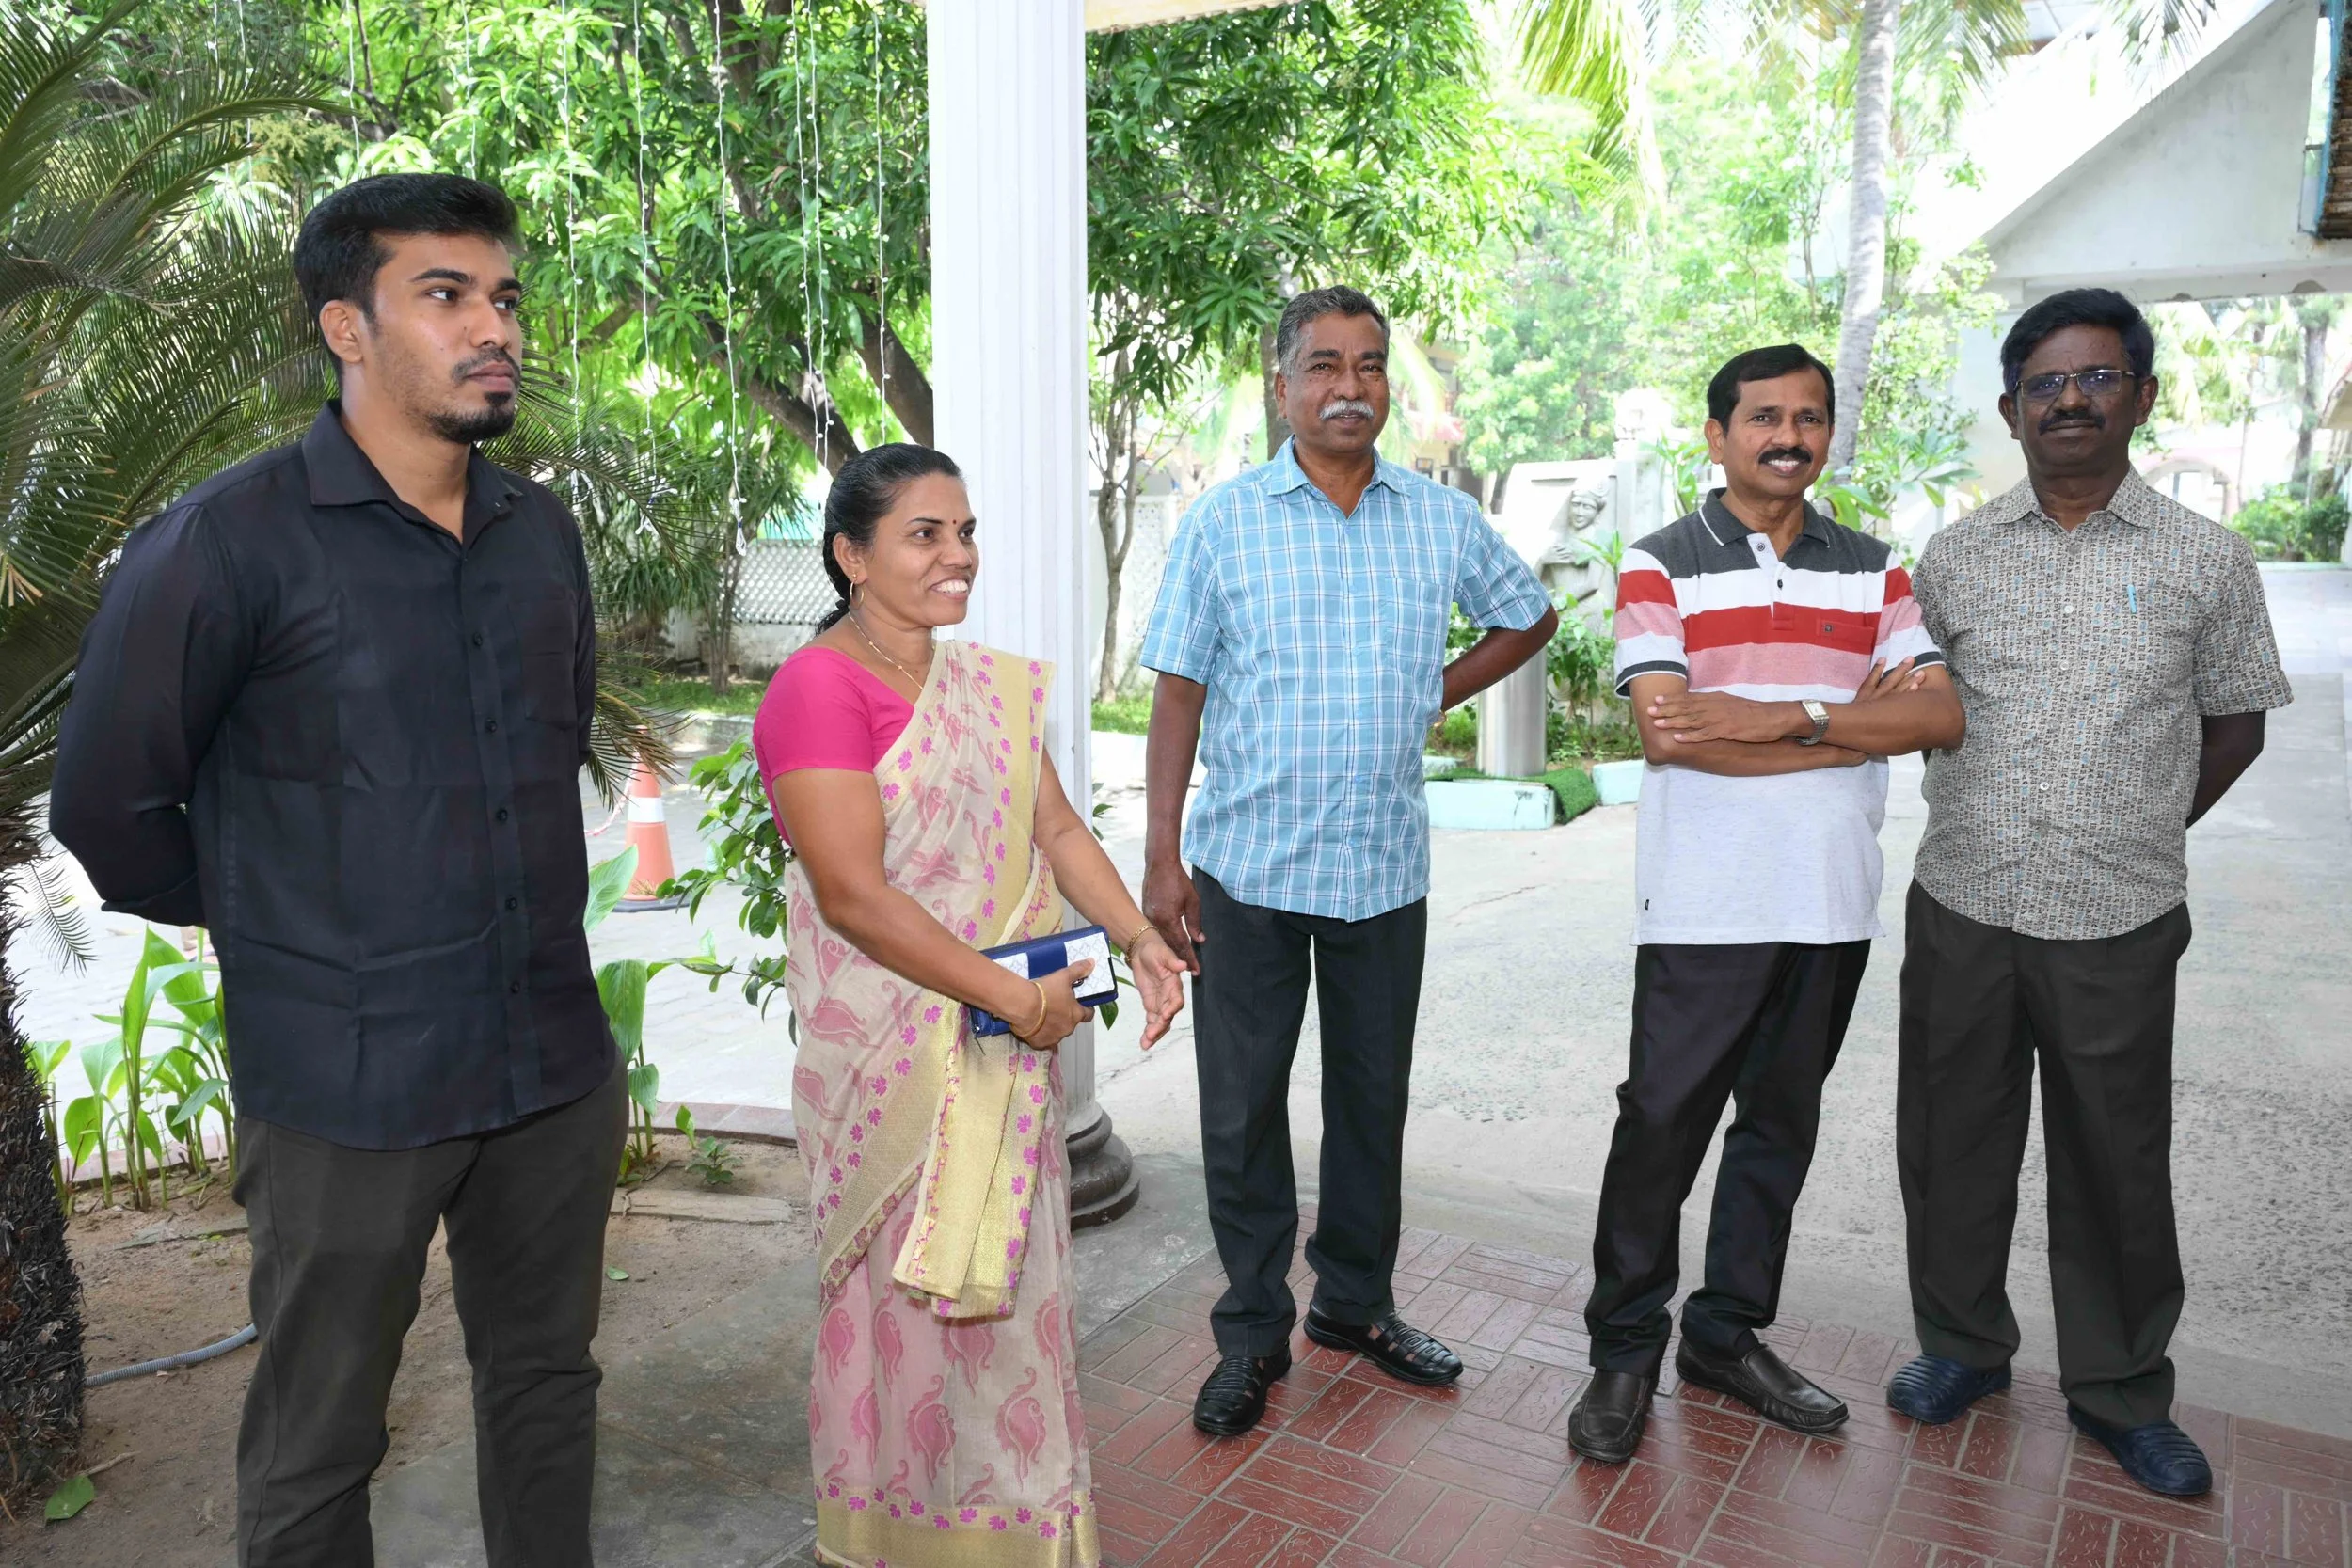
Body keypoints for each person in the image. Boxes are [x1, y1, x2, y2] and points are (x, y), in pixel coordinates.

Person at [51, 174, 620, 1566]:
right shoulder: (221, 546)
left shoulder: (540, 537)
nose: (495, 327)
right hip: (347, 1084)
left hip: (548, 1059)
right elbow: (108, 807)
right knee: (320, 1437)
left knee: (547, 1387)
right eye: (447, 295)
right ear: (345, 329)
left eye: (503, 298)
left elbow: (549, 757)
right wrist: (294, 919)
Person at [1888, 289, 2290, 1497]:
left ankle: (2119, 1389)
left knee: (2116, 1158)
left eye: (2097, 378)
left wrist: (2140, 822)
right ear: (2011, 410)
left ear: (2142, 397)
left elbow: (2236, 724)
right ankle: (1961, 1345)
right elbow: (1912, 703)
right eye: (2045, 384)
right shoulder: (1951, 558)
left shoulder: (2205, 561)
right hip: (1961, 899)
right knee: (1950, 1142)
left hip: (2116, 914)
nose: (2070, 399)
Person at [1138, 286, 1559, 1439]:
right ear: (1281, 386)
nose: (1350, 385)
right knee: (1242, 1110)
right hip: (1244, 870)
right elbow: (1176, 687)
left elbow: (1528, 614)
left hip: (1381, 866)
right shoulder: (1223, 521)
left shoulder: (1436, 517)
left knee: (1371, 1101)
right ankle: (1251, 1329)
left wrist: (1435, 689)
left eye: (1370, 365)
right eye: (1324, 364)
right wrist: (1161, 860)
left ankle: (1356, 1306)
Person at [760, 443, 1188, 1568]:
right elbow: (854, 895)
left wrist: (1139, 939)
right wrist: (1010, 994)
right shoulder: (816, 686)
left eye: (965, 531)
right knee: (902, 1310)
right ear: (851, 555)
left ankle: (1014, 1533)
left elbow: (1055, 830)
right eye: (924, 534)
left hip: (1004, 1047)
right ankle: (896, 1537)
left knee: (1008, 1298)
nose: (958, 556)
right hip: (895, 1059)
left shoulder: (987, 683)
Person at [1564, 344, 1965, 1465]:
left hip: (1830, 900)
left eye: (1808, 417)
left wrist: (1773, 717)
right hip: (1701, 902)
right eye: (1762, 417)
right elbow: (1668, 730)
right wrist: (1837, 718)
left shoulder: (1877, 570)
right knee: (1659, 1124)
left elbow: (1937, 717)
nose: (1788, 435)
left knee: (1777, 1127)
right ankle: (1623, 1348)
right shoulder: (1659, 564)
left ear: (1827, 433)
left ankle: (1724, 1334)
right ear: (1717, 435)